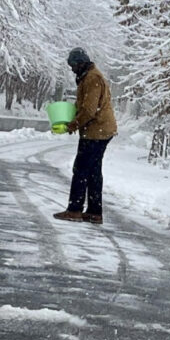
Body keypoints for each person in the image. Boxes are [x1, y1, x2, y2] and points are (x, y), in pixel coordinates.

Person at [53, 47, 116, 225]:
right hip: (99, 130)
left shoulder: (92, 79)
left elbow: (89, 109)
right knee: (93, 171)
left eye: (73, 65)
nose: (72, 69)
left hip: (97, 131)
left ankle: (74, 210)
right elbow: (84, 104)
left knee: (80, 169)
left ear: (81, 63)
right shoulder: (88, 77)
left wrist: (72, 124)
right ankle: (94, 212)